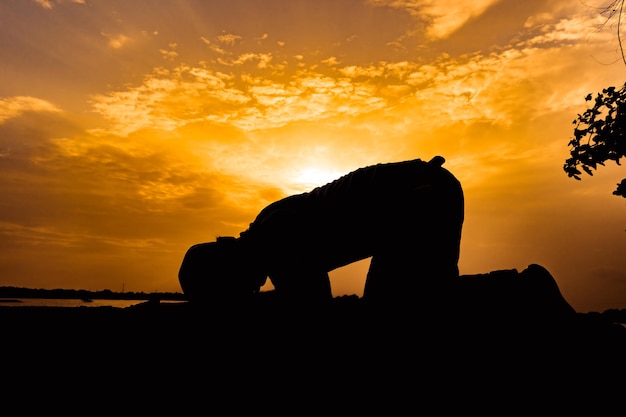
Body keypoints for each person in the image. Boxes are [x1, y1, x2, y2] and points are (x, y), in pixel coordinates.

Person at [178, 155, 464, 306]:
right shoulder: (267, 226)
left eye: (238, 290)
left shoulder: (274, 238)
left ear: (228, 271)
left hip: (421, 197)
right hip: (423, 193)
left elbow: (313, 305)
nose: (255, 287)